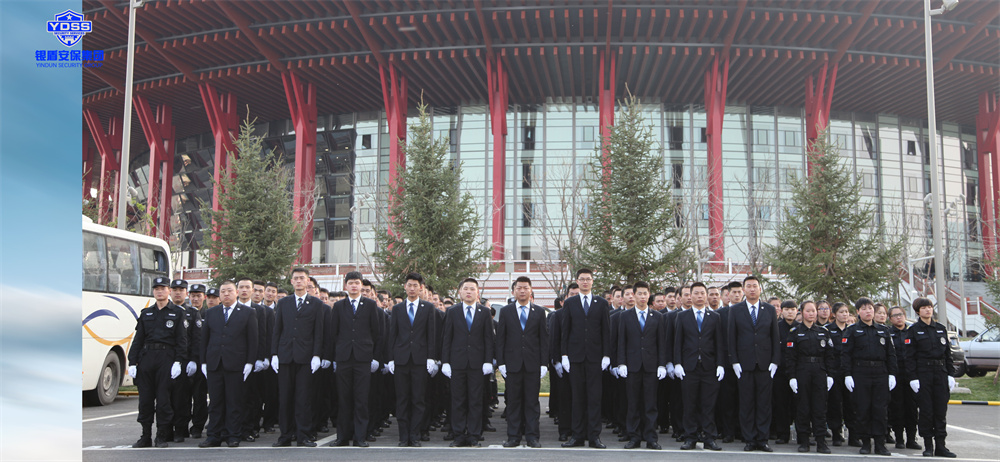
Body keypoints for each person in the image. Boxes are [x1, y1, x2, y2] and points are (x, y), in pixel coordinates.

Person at [128, 276, 188, 448]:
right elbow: (138, 340)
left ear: (169, 291)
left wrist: (178, 361)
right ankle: (145, 435)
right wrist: (132, 362)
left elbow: (182, 341)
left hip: (166, 358)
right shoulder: (146, 313)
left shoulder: (177, 313)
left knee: (163, 400)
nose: (159, 291)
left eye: (163, 288)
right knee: (145, 400)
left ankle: (161, 435)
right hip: (147, 358)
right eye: (156, 289)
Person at [198, 280, 259, 448]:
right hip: (215, 363)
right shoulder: (212, 313)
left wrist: (250, 362)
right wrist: (203, 361)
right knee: (215, 403)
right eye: (223, 291)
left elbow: (253, 341)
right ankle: (213, 436)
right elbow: (205, 340)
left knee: (234, 402)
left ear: (236, 293)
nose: (226, 294)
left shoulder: (248, 312)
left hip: (236, 364)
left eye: (229, 291)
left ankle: (233, 435)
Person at [271, 268, 325, 447]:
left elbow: (318, 332)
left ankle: (304, 435)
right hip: (285, 356)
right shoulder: (284, 303)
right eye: (296, 278)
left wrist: (317, 354)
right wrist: (274, 354)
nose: (299, 281)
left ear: (308, 280)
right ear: (291, 281)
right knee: (285, 398)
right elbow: (277, 330)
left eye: (302, 278)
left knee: (304, 399)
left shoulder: (316, 304)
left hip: (306, 358)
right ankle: (285, 436)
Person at [327, 271, 382, 447]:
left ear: (361, 286)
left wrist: (372, 355)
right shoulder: (339, 306)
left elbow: (376, 332)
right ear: (346, 286)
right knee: (344, 399)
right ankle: (342, 437)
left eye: (357, 283)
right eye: (350, 283)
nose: (353, 286)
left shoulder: (371, 305)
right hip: (344, 358)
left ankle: (360, 437)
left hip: (363, 358)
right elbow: (333, 333)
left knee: (361, 399)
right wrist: (336, 356)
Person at [560, 269, 612, 449]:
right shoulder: (570, 303)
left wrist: (606, 355)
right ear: (577, 281)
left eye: (588, 279)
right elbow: (565, 330)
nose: (585, 282)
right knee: (577, 398)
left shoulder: (602, 303)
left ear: (592, 282)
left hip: (595, 357)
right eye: (581, 279)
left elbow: (606, 330)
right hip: (575, 357)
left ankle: (594, 437)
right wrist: (564, 354)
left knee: (594, 398)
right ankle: (577, 436)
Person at [727, 275, 779, 452]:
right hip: (744, 364)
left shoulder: (769, 310)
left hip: (765, 364)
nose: (751, 289)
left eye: (755, 286)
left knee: (764, 403)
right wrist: (734, 361)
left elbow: (775, 337)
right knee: (747, 403)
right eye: (748, 286)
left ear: (760, 289)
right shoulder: (735, 310)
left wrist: (774, 362)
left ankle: (762, 439)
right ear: (743, 290)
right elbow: (731, 337)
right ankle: (749, 439)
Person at [441, 278, 495, 447]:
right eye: (466, 289)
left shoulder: (484, 312)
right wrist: (446, 362)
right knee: (457, 400)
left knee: (475, 400)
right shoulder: (453, 311)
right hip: (457, 363)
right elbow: (447, 338)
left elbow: (488, 339)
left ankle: (473, 435)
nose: (469, 291)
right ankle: (458, 435)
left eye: (472, 289)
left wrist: (488, 361)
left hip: (477, 364)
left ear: (477, 292)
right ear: (460, 292)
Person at [386, 273, 438, 447]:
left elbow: (431, 335)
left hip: (420, 360)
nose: (412, 288)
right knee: (402, 399)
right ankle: (403, 436)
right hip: (401, 360)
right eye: (409, 285)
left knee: (418, 399)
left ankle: (415, 435)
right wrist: (391, 358)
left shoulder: (427, 308)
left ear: (421, 288)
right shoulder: (398, 309)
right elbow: (392, 335)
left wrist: (431, 357)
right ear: (405, 286)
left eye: (416, 285)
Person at [496, 276, 549, 448]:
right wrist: (501, 362)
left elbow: (543, 339)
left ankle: (533, 437)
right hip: (512, 364)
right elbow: (501, 339)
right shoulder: (506, 311)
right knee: (513, 402)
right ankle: (513, 436)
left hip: (533, 364)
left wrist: (544, 363)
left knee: (532, 402)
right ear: (513, 291)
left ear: (531, 290)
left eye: (526, 288)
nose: (522, 291)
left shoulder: (539, 312)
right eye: (519, 288)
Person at [842, 297, 897, 456]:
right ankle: (865, 442)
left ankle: (880, 443)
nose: (868, 311)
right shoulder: (852, 331)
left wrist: (892, 374)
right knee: (863, 409)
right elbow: (846, 355)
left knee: (880, 410)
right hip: (861, 373)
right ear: (858, 312)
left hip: (880, 373)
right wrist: (847, 375)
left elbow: (891, 354)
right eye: (864, 309)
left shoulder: (883, 330)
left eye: (870, 308)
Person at [672, 282, 724, 451]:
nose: (700, 296)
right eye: (696, 293)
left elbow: (719, 343)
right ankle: (690, 437)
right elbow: (677, 342)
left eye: (703, 293)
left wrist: (720, 365)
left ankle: (709, 438)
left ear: (706, 295)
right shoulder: (682, 316)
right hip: (689, 367)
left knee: (709, 404)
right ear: (690, 296)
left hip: (709, 367)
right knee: (689, 404)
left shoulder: (715, 317)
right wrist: (677, 363)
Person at [904, 297, 957, 458]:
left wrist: (950, 374)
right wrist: (913, 377)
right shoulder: (913, 331)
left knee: (940, 410)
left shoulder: (940, 329)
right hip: (923, 373)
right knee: (926, 411)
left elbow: (948, 353)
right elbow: (909, 357)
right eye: (924, 308)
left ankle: (941, 445)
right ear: (918, 311)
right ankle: (928, 445)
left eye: (929, 307)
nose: (928, 310)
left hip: (940, 373)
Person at [614, 282, 665, 450]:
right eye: (640, 293)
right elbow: (621, 342)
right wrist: (621, 363)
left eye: (645, 293)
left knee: (650, 404)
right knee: (633, 403)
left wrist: (662, 365)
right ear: (634, 295)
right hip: (632, 366)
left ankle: (651, 438)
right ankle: (634, 437)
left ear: (649, 295)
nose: (643, 297)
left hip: (651, 366)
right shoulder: (625, 316)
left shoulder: (657, 317)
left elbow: (661, 343)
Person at [784, 300, 835, 453]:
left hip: (819, 371)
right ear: (802, 312)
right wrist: (792, 377)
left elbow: (830, 356)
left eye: (814, 310)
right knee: (803, 407)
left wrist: (830, 375)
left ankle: (821, 442)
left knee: (819, 408)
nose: (812, 313)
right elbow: (790, 357)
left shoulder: (823, 332)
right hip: (802, 371)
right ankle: (804, 441)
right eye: (808, 311)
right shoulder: (795, 332)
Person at [168, 279, 201, 443]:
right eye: (175, 289)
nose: (178, 292)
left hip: (185, 361)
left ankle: (180, 429)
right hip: (166, 361)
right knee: (166, 397)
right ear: (170, 292)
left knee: (182, 398)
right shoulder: (163, 311)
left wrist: (194, 360)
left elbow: (196, 339)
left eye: (181, 290)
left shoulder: (192, 313)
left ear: (186, 293)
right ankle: (166, 429)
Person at [235, 278, 268, 442]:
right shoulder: (231, 308)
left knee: (251, 397)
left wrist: (260, 358)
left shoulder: (258, 310)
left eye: (248, 287)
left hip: (253, 360)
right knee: (236, 396)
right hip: (234, 358)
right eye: (241, 287)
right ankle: (235, 427)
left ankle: (250, 427)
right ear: (237, 290)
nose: (245, 290)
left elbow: (262, 336)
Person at [887, 305, 920, 450]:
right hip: (896, 375)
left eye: (901, 314)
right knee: (897, 407)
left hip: (911, 375)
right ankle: (899, 438)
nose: (898, 317)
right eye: (895, 315)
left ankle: (911, 438)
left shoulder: (912, 332)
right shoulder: (888, 333)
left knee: (912, 409)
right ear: (890, 319)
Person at [826, 302, 858, 446]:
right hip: (834, 371)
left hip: (849, 372)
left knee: (851, 404)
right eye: (841, 312)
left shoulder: (853, 330)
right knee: (835, 404)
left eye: (846, 312)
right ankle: (836, 434)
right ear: (834, 314)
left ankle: (853, 434)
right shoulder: (828, 330)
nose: (845, 314)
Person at [714, 281, 742, 443]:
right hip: (726, 363)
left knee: (744, 399)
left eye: (739, 292)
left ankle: (742, 430)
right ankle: (728, 431)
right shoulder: (720, 314)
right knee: (727, 399)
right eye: (734, 292)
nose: (737, 295)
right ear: (727, 294)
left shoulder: (747, 312)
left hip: (745, 363)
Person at [772, 300, 800, 444]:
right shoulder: (776, 327)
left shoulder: (800, 328)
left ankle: (802, 434)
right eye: (787, 309)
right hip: (780, 372)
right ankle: (782, 434)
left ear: (797, 311)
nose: (790, 312)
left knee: (799, 405)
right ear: (781, 311)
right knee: (781, 404)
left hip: (797, 372)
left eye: (793, 309)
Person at [187, 283, 209, 438]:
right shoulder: (184, 313)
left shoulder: (210, 313)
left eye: (198, 295)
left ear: (204, 297)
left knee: (200, 396)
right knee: (182, 396)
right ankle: (181, 425)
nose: (195, 299)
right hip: (187, 360)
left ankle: (197, 426)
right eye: (193, 296)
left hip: (203, 361)